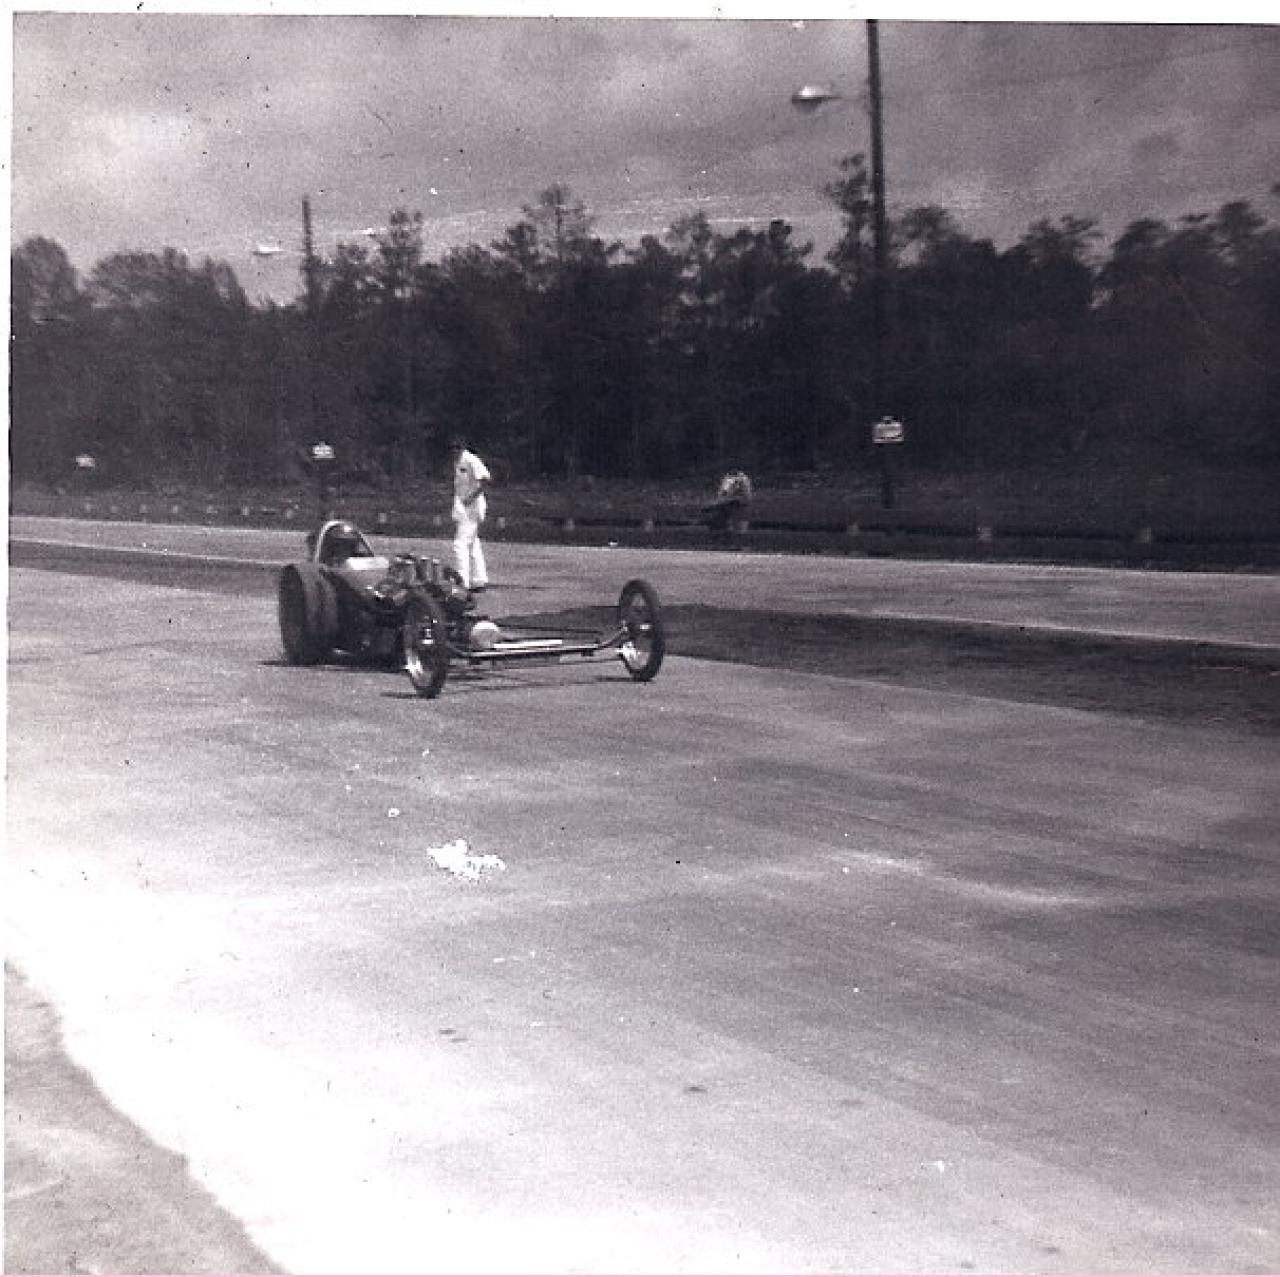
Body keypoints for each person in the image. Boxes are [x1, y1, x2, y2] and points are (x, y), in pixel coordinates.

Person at [450, 434, 492, 591]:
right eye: (452, 448)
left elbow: (486, 479)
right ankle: (479, 579)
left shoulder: (471, 460)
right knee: (473, 544)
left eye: (457, 448)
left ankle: (462, 581)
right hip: (463, 507)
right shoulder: (457, 461)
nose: (454, 451)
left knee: (460, 544)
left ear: (462, 447)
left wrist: (471, 497)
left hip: (472, 507)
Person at [703, 468, 753, 535]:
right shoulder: (730, 478)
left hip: (738, 507)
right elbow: (724, 494)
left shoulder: (740, 479)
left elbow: (743, 497)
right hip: (731, 506)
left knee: (737, 530)